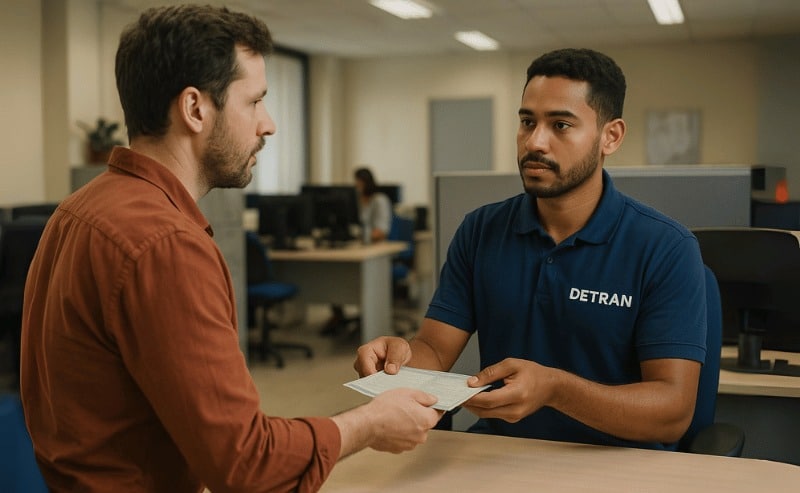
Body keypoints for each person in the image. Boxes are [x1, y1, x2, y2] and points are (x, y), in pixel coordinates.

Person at [20, 5, 440, 493]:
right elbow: (247, 466)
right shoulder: (167, 245)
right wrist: (370, 423)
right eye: (255, 101)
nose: (269, 124)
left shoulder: (75, 210)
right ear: (195, 108)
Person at [354, 48, 708, 451]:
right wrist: (397, 361)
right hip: (501, 453)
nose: (535, 141)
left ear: (610, 136)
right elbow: (434, 348)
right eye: (527, 122)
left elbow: (673, 413)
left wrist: (556, 389)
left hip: (617, 462)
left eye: (560, 124)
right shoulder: (481, 229)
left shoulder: (665, 247)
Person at [320, 167, 393, 336]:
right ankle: (338, 315)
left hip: (376, 250)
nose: (357, 185)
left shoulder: (379, 200)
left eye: (359, 181)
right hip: (356, 247)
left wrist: (359, 234)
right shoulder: (355, 200)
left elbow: (381, 231)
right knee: (332, 273)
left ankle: (369, 321)